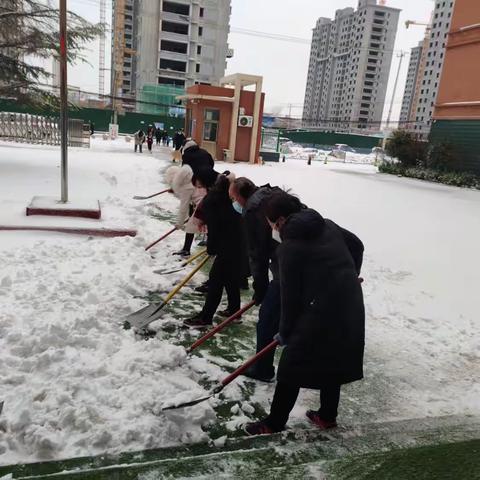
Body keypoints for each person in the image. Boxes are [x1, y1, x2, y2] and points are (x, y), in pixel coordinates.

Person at [244, 192, 365, 436]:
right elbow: (356, 245)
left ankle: (274, 422)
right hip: (349, 303)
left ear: (279, 221)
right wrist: (350, 274)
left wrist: (285, 332)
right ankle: (326, 416)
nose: (270, 229)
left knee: (291, 366)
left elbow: (290, 298)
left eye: (269, 223)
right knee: (333, 359)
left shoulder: (289, 248)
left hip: (320, 310)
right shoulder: (327, 225)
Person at [229, 177, 284, 382]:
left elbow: (257, 254)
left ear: (241, 197)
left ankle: (263, 369)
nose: (233, 203)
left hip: (287, 267)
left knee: (268, 321)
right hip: (293, 264)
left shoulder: (252, 212)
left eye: (233, 198)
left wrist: (260, 288)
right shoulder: (270, 194)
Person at [184, 174, 245, 328]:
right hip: (238, 244)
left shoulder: (212, 203)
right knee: (230, 279)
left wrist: (211, 248)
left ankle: (205, 318)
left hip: (229, 246)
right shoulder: (224, 200)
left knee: (216, 280)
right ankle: (234, 310)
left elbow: (215, 229)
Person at [164, 163, 208, 257]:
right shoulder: (190, 179)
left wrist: (179, 224)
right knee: (208, 225)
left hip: (204, 204)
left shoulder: (185, 187)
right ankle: (210, 245)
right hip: (208, 202)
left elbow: (183, 208)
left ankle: (186, 250)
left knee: (190, 226)